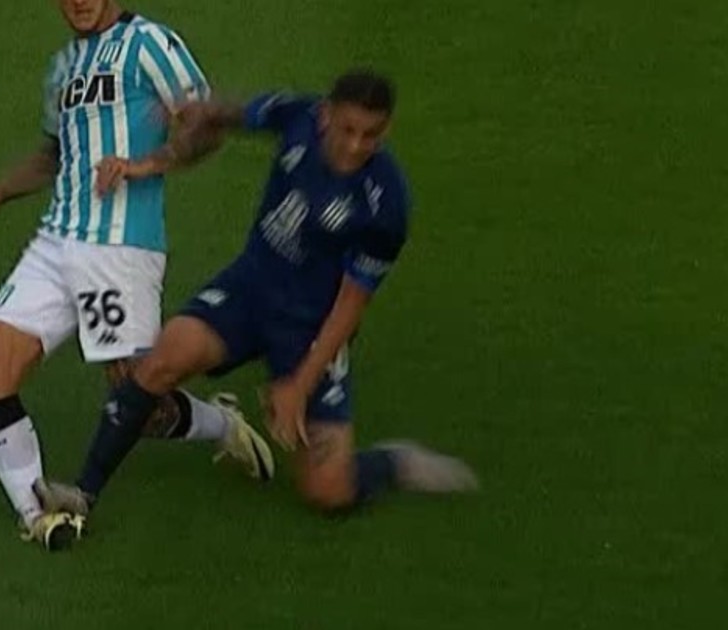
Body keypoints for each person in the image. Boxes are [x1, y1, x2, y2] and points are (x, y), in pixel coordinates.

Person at [36, 69, 478, 523]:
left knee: (329, 491)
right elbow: (243, 113)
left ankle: (394, 463)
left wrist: (299, 385)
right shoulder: (299, 116)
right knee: (163, 359)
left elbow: (350, 305)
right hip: (249, 290)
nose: (354, 146)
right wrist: (204, 112)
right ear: (326, 115)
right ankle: (83, 493)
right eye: (348, 129)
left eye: (371, 135)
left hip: (310, 327)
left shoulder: (385, 203)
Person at [0, 0, 273, 550]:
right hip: (55, 243)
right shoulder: (63, 66)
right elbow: (55, 153)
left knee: (142, 405)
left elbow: (207, 125)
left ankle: (221, 424)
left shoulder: (150, 44)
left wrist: (147, 164)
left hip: (120, 247)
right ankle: (38, 516)